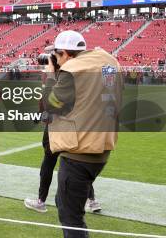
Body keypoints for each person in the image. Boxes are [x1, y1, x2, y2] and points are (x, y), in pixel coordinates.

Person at [40, 30, 122, 238]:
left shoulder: (72, 71)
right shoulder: (104, 63)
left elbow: (50, 105)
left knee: (71, 218)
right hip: (101, 148)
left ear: (66, 54)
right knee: (64, 201)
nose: (56, 60)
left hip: (79, 153)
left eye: (57, 56)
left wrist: (51, 76)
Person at [24, 126, 101, 214]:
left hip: (57, 126)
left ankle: (40, 201)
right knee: (77, 163)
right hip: (73, 127)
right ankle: (92, 200)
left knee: (48, 162)